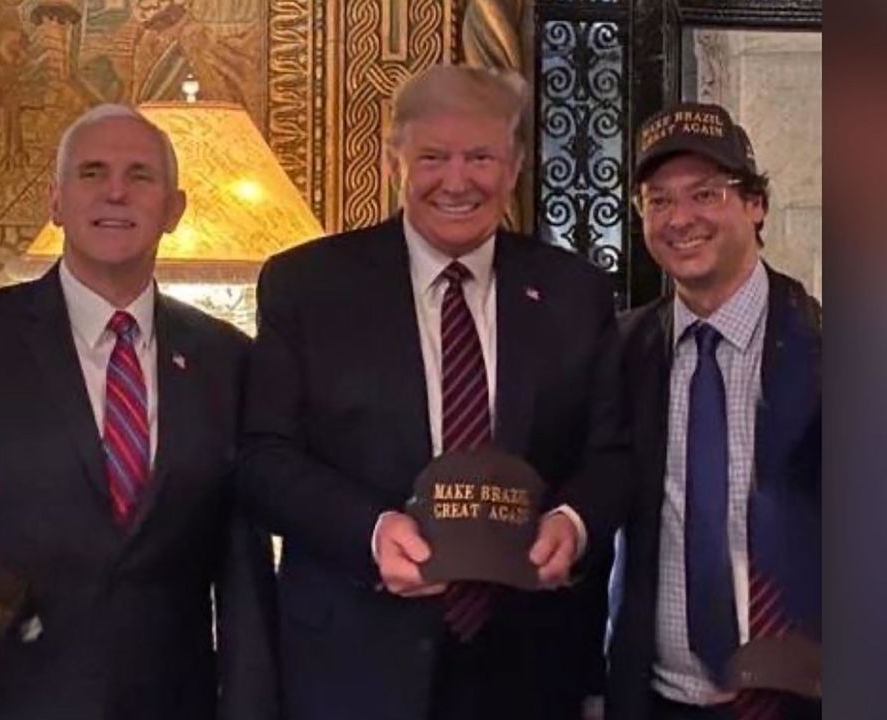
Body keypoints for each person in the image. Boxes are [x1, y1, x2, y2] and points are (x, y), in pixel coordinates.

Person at [237, 64, 627, 720]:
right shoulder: (307, 286)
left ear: (515, 165)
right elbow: (263, 459)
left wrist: (574, 523)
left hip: (531, 661)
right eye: (433, 157)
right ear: (396, 162)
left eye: (480, 156)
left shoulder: (575, 292)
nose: (457, 180)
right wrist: (371, 531)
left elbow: (613, 455)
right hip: (355, 656)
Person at [0, 104, 278, 720]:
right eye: (92, 172)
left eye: (140, 175)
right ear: (55, 201)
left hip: (174, 698)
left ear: (174, 209)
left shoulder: (229, 360)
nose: (116, 191)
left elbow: (242, 567)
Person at [604, 103, 821, 720]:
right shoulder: (616, 354)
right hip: (658, 700)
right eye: (658, 200)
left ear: (755, 205)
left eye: (705, 193)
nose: (681, 219)